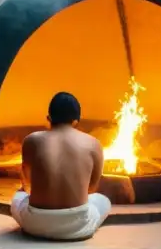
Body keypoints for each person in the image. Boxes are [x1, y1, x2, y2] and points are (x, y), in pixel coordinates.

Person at [12, 92, 112, 241]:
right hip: (78, 226)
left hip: (35, 224)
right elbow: (91, 189)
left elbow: (27, 183)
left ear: (49, 118)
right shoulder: (94, 143)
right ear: (76, 121)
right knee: (103, 201)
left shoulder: (31, 140)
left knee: (18, 197)